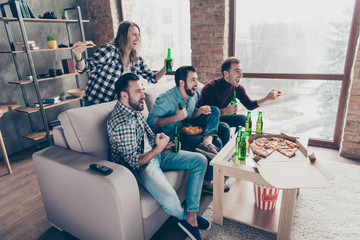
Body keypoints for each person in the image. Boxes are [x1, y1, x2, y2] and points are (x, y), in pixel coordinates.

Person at [107, 72, 210, 240]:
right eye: (138, 92)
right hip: (141, 166)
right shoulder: (121, 122)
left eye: (142, 90)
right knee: (170, 200)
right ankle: (187, 218)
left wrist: (162, 144)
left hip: (156, 153)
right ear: (124, 95)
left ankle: (192, 214)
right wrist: (157, 149)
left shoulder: (134, 108)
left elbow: (147, 133)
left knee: (200, 160)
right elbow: (134, 162)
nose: (142, 95)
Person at [147, 66, 228, 194]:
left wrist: (200, 111)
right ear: (181, 82)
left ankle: (207, 143)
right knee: (217, 142)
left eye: (196, 79)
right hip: (174, 137)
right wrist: (175, 117)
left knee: (216, 113)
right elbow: (150, 122)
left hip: (188, 128)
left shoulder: (193, 94)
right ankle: (207, 183)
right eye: (193, 80)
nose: (197, 83)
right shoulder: (166, 99)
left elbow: (191, 115)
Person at [72, 20, 170, 105]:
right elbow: (86, 67)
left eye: (138, 35)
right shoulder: (110, 50)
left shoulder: (136, 59)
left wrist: (165, 67)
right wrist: (78, 57)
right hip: (96, 102)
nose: (137, 38)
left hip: (115, 104)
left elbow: (152, 78)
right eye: (133, 35)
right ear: (123, 36)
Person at [196, 57, 281, 145]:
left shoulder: (237, 88)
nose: (241, 75)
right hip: (204, 120)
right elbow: (207, 114)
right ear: (226, 73)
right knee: (224, 128)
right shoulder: (210, 88)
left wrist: (266, 98)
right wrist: (225, 111)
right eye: (237, 71)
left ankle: (240, 145)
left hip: (219, 118)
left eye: (241, 71)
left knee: (243, 119)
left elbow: (250, 105)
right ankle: (222, 156)